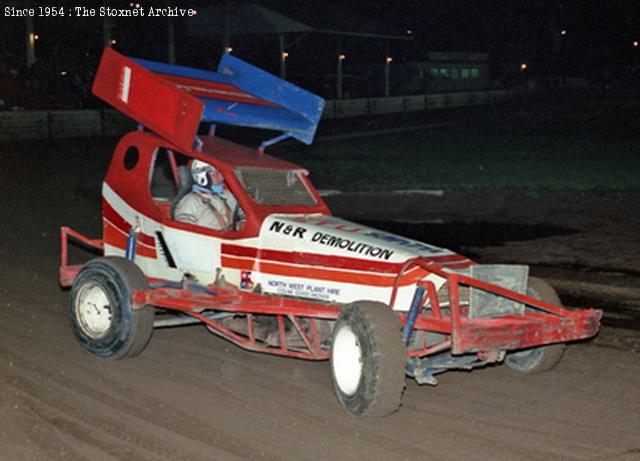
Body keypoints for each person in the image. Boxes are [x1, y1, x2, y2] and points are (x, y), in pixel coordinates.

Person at [174, 159, 244, 231]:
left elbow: (248, 213)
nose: (221, 178)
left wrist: (241, 224)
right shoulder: (190, 202)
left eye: (221, 174)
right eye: (215, 174)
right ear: (202, 178)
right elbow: (185, 233)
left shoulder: (227, 196)